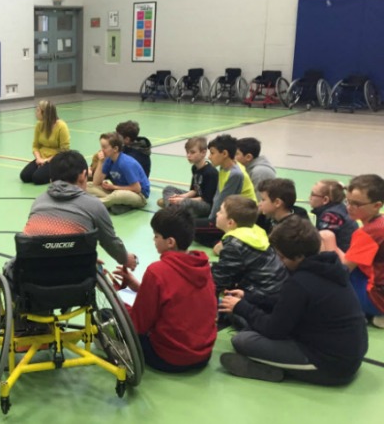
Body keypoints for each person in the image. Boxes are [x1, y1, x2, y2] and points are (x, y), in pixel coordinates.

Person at [219, 218, 368, 385]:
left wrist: (241, 307)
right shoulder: (329, 267)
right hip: (349, 355)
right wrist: (249, 298)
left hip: (332, 367)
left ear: (298, 257)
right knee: (253, 327)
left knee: (242, 340)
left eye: (283, 258)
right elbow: (287, 303)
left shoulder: (301, 281)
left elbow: (274, 330)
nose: (281, 263)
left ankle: (276, 369)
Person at [117, 206, 216, 372]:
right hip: (203, 355)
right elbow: (179, 300)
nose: (154, 240)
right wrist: (140, 288)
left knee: (108, 314)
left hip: (169, 358)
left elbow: (138, 325)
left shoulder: (157, 271)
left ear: (170, 242)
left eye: (156, 236)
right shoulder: (202, 265)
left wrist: (117, 300)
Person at [21, 150, 138, 270]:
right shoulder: (94, 205)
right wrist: (126, 258)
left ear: (51, 179)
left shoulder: (38, 202)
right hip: (74, 276)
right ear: (83, 176)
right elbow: (110, 242)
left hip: (34, 276)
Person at [322, 174, 384, 328]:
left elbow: (343, 269)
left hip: (377, 298)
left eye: (356, 204)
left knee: (326, 284)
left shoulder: (369, 233)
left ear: (376, 205)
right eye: (347, 201)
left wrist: (330, 241)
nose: (349, 207)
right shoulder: (380, 223)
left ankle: (366, 311)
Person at [211, 196, 287, 305]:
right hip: (276, 291)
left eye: (221, 212)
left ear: (230, 223)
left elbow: (218, 281)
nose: (217, 214)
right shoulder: (255, 231)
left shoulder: (234, 245)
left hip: (260, 299)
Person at [193, 134, 256, 248]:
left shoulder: (235, 174)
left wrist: (211, 221)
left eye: (212, 153)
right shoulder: (224, 167)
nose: (209, 157)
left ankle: (226, 244)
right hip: (228, 213)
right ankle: (218, 241)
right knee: (195, 229)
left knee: (188, 227)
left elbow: (223, 201)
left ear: (225, 154)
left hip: (240, 219)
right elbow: (218, 195)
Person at [87, 132, 150, 214]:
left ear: (115, 149)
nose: (101, 150)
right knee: (88, 185)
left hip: (139, 196)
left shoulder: (126, 163)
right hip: (117, 191)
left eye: (104, 147)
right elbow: (96, 182)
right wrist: (101, 162)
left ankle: (91, 205)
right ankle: (118, 204)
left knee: (119, 195)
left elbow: (137, 188)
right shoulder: (108, 159)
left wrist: (113, 187)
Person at [158, 136, 218, 219]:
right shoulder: (194, 168)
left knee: (186, 203)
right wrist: (181, 197)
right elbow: (194, 190)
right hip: (195, 198)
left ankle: (171, 208)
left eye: (192, 152)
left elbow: (206, 199)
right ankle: (173, 206)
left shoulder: (211, 173)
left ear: (203, 153)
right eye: (187, 152)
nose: (188, 155)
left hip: (206, 205)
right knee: (168, 189)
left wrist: (182, 200)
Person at [20, 100, 70, 185]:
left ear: (44, 113)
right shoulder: (39, 125)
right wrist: (39, 158)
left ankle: (60, 173)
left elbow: (64, 150)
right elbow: (35, 146)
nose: (36, 112)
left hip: (55, 160)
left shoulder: (62, 126)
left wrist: (47, 160)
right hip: (41, 158)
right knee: (24, 176)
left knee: (37, 178)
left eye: (38, 110)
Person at [309, 179, 357, 252]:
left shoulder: (331, 216)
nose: (310, 197)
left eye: (312, 194)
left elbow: (325, 246)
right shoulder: (340, 209)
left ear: (325, 200)